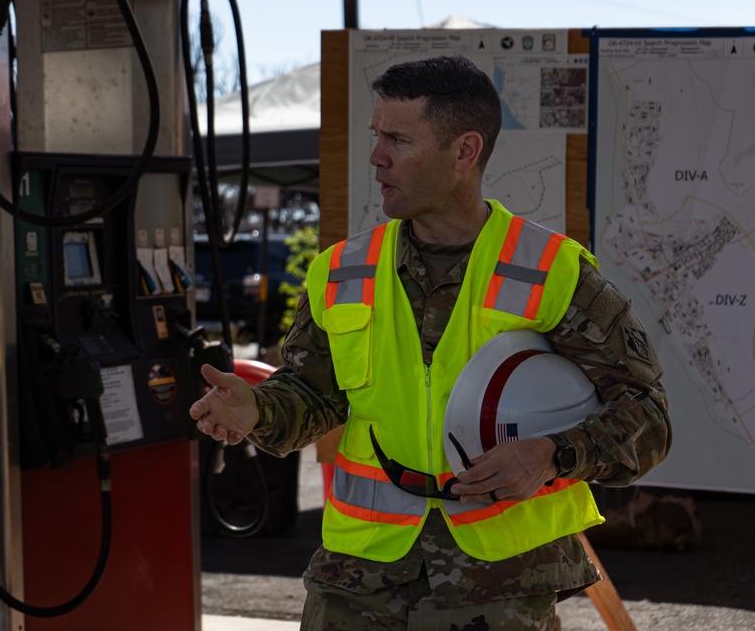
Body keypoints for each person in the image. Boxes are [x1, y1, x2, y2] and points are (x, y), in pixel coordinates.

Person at [190, 54, 671, 631]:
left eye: (397, 139)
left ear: (464, 152)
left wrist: (552, 454)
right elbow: (312, 402)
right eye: (377, 136)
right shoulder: (341, 272)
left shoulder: (552, 272)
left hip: (498, 587)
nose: (377, 156)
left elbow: (647, 418)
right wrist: (257, 410)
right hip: (356, 581)